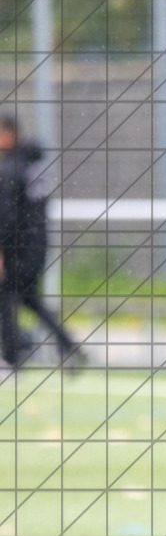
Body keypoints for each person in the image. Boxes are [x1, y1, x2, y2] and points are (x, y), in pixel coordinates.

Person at [0, 115, 82, 369]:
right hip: (37, 244)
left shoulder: (10, 167)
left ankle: (13, 355)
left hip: (19, 245)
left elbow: (7, 214)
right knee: (27, 297)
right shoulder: (32, 163)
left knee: (4, 295)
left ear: (10, 134)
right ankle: (67, 345)